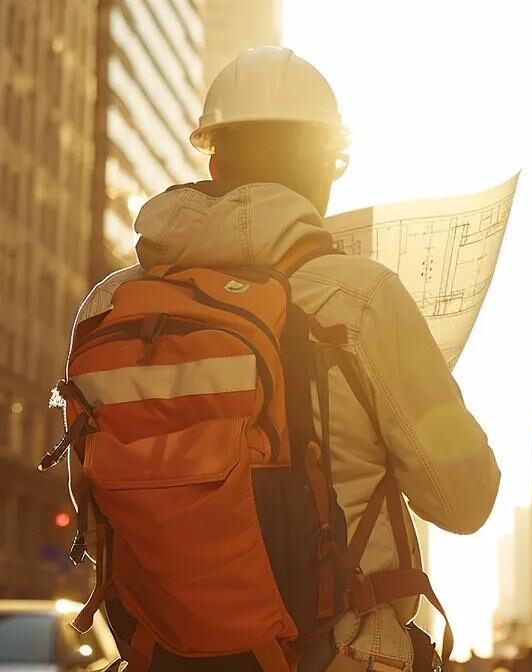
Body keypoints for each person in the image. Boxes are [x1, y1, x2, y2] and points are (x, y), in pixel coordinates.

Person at [69, 47, 500, 672]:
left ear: (214, 160)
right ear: (330, 165)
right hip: (338, 655)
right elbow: (465, 502)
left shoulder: (109, 306)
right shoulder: (360, 296)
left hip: (160, 655)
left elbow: (93, 502)